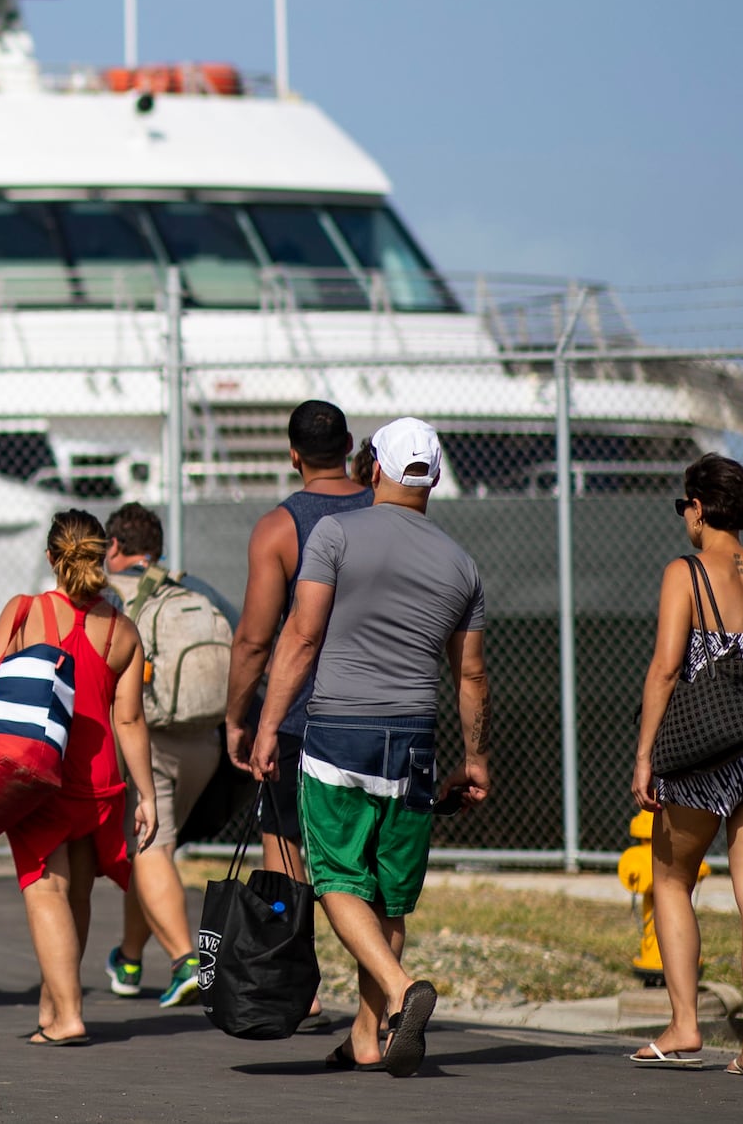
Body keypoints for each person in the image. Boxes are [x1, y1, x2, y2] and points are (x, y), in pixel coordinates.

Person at [253, 416, 488, 1079]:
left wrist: (269, 724)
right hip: (414, 739)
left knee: (333, 878)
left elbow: (301, 638)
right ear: (435, 477)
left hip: (338, 735)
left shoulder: (335, 534)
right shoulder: (460, 562)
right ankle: (368, 1035)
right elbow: (470, 673)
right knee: (388, 894)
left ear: (374, 470)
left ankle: (398, 985)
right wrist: (476, 758)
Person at [630, 454, 743, 1077]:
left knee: (672, 879)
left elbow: (666, 668)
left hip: (706, 748)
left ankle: (684, 1024)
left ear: (699, 509)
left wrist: (646, 754)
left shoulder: (685, 572)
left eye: (686, 506)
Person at [0, 510, 159, 1044]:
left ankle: (70, 1015)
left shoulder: (26, 611)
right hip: (100, 781)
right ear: (102, 556)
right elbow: (129, 720)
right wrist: (145, 796)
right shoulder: (122, 630)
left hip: (42, 774)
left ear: (52, 557)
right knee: (77, 892)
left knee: (45, 889)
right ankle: (51, 1009)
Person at [224, 399, 368, 1027]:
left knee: (285, 849)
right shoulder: (385, 512)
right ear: (348, 446)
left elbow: (256, 638)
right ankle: (378, 998)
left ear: (292, 453)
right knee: (368, 860)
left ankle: (299, 987)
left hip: (301, 716)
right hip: (382, 709)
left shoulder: (280, 528)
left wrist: (238, 716)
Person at [100, 502, 219, 1009]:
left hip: (154, 741)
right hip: (207, 742)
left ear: (114, 548)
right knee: (154, 852)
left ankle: (184, 960)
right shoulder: (194, 589)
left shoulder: (114, 596)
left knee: (150, 850)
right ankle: (128, 958)